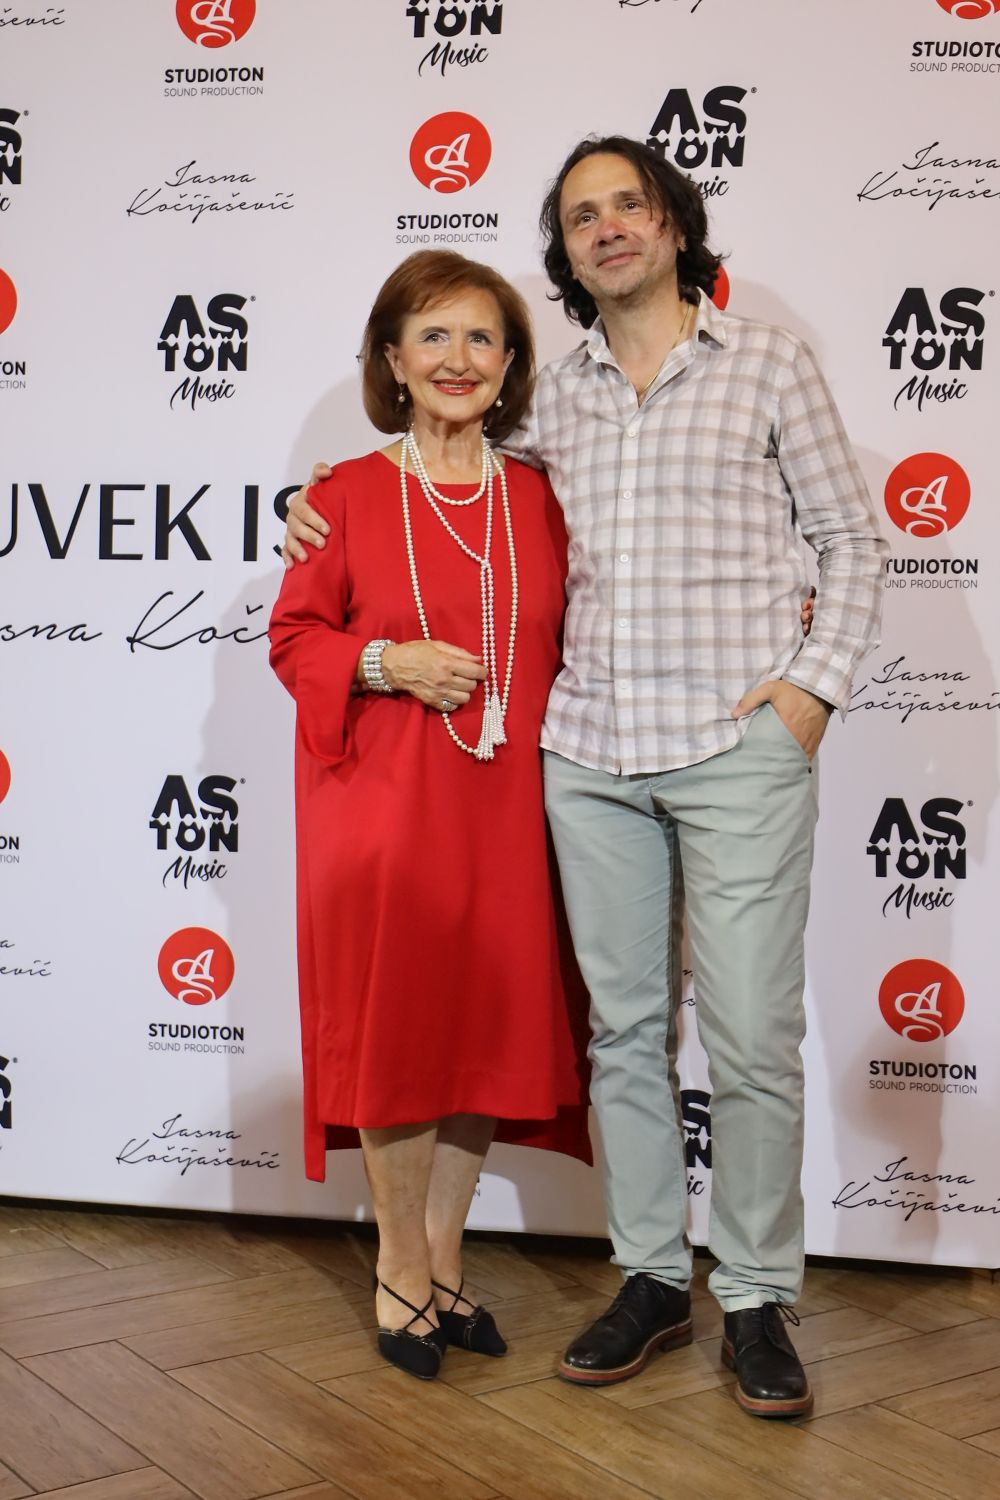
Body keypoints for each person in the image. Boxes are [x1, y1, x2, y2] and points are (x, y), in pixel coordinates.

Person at [283, 135, 885, 1419]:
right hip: (590, 756)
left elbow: (850, 534)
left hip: (736, 750)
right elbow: (427, 488)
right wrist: (313, 499)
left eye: (628, 205)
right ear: (563, 252)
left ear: (673, 224)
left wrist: (809, 693)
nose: (606, 227)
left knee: (751, 1037)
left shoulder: (769, 361)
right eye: (579, 216)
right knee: (622, 1035)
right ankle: (652, 1277)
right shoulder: (549, 402)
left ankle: (756, 1295)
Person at [268, 249, 590, 1382]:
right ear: (394, 361)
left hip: (510, 813)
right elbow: (293, 641)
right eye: (434, 336)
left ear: (510, 365)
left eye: (482, 338)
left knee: (482, 1040)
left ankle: (446, 1258)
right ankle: (399, 1265)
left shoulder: (543, 496)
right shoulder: (346, 497)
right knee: (401, 1041)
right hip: (384, 811)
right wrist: (383, 662)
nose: (459, 359)